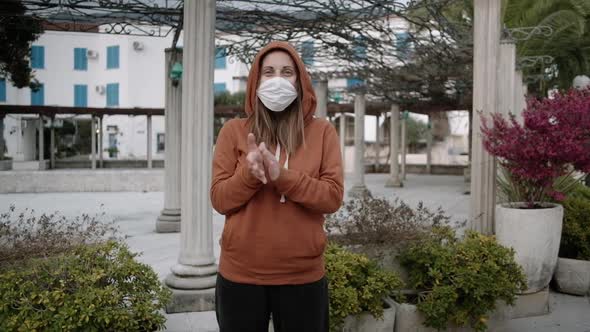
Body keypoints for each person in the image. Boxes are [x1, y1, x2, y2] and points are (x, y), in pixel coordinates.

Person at [210, 41, 344, 332]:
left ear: (300, 81)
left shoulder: (323, 132)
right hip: (240, 276)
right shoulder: (233, 131)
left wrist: (281, 177)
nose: (278, 80)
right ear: (256, 82)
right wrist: (250, 174)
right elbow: (220, 199)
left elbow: (332, 197)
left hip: (303, 277)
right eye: (268, 72)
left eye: (287, 72)